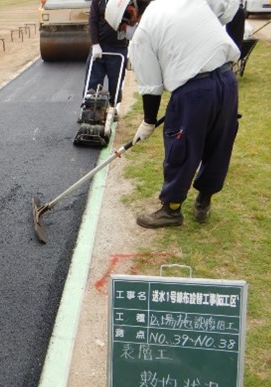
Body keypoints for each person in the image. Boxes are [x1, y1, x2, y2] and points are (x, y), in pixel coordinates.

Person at [107, 0, 241, 228]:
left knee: (182, 149)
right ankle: (203, 203)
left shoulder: (142, 34)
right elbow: (226, 11)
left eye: (122, 27)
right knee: (218, 145)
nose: (125, 33)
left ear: (131, 12)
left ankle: (171, 211)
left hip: (195, 92)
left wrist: (148, 122)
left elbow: (151, 87)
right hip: (227, 82)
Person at [84, 0, 131, 109]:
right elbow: (93, 21)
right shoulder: (98, 1)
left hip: (118, 49)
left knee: (115, 85)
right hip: (99, 48)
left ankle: (113, 108)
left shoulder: (127, 2)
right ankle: (89, 108)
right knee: (92, 83)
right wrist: (95, 44)